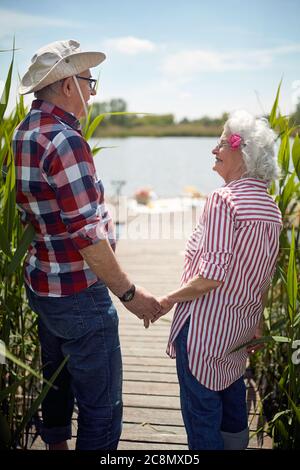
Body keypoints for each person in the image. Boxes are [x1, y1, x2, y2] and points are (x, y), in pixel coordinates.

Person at [13, 39, 161, 451]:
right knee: (102, 407)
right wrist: (129, 293)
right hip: (79, 292)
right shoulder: (65, 140)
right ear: (67, 86)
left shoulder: (25, 133)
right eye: (88, 83)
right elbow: (86, 235)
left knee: (55, 382)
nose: (92, 93)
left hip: (43, 283)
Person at [154, 110, 282, 450]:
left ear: (243, 152)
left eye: (222, 143)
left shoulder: (224, 199)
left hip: (205, 331)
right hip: (238, 329)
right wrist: (257, 322)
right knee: (231, 404)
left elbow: (211, 276)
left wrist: (167, 300)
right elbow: (264, 275)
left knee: (202, 419)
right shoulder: (270, 207)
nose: (215, 149)